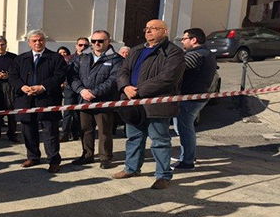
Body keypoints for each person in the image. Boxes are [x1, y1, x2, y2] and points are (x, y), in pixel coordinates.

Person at [112, 19, 185, 189]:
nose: (149, 31)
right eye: (147, 28)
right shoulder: (137, 50)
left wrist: (138, 90)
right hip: (133, 103)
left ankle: (163, 175)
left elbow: (168, 78)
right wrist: (125, 86)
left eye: (154, 28)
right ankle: (131, 168)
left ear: (165, 31)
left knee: (159, 140)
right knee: (134, 137)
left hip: (156, 104)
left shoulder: (173, 52)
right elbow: (122, 71)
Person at [9, 30, 67, 173]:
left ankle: (54, 160)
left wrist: (42, 87)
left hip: (47, 100)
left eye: (40, 40)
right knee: (28, 130)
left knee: (50, 131)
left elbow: (59, 75)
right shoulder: (20, 59)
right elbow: (13, 76)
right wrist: (22, 87)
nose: (37, 43)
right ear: (29, 42)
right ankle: (33, 156)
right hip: (25, 100)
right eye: (34, 40)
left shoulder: (55, 58)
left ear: (45, 41)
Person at [70, 30, 122, 169]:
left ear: (108, 42)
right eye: (93, 41)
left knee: (104, 130)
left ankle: (105, 157)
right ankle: (87, 155)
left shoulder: (116, 59)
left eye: (100, 41)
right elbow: (72, 76)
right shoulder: (83, 58)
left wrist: (94, 92)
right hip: (84, 100)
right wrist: (81, 90)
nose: (96, 44)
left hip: (103, 101)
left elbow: (113, 80)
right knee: (85, 129)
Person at [172, 28, 216, 170]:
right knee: (183, 127)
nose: (182, 41)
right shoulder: (205, 53)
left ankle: (187, 160)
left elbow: (176, 68)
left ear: (193, 40)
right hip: (195, 96)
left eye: (184, 39)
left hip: (190, 98)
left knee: (184, 129)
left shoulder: (196, 55)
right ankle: (188, 155)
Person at [60, 37, 89, 142]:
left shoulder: (90, 58)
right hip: (70, 88)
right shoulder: (69, 58)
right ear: (76, 46)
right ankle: (64, 133)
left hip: (83, 89)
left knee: (79, 113)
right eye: (81, 45)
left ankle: (76, 132)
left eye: (86, 45)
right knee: (68, 112)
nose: (83, 47)